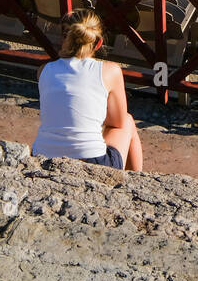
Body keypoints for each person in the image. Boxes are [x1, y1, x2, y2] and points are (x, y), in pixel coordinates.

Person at [32, 9, 143, 171]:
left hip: (42, 158)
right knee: (127, 121)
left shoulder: (44, 70)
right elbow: (117, 122)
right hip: (93, 162)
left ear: (65, 38)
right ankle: (136, 182)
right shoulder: (110, 70)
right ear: (98, 43)